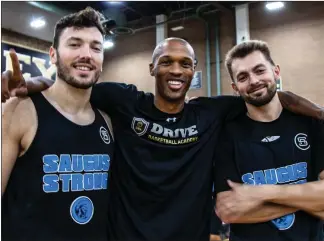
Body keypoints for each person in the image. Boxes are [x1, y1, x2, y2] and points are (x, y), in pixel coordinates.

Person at [2, 36, 324, 241]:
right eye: (166, 61)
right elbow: (71, 86)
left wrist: (321, 114)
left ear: (194, 71)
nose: (175, 69)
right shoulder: (125, 101)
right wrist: (30, 82)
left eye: (185, 63)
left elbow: (272, 96)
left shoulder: (211, 112)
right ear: (152, 67)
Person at [1, 7, 114, 241]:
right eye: (74, 44)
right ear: (52, 54)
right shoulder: (20, 111)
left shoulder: (108, 121)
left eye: (96, 47)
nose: (87, 54)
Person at [214, 40, 324, 241]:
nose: (254, 80)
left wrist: (262, 193)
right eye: (243, 77)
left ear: (276, 71)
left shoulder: (311, 123)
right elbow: (228, 211)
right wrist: (310, 199)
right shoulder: (226, 136)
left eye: (259, 70)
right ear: (235, 87)